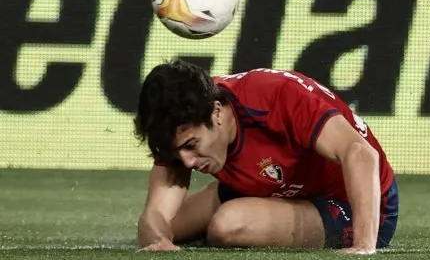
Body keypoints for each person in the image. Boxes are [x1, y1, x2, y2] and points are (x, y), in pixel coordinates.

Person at [133, 60, 398, 255]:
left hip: (355, 203)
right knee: (170, 228)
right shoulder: (179, 118)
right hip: (278, 189)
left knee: (229, 225)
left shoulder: (276, 96)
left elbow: (361, 154)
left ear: (216, 112)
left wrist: (363, 246)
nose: (188, 162)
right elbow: (155, 215)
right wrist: (159, 241)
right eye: (177, 153)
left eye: (192, 146)